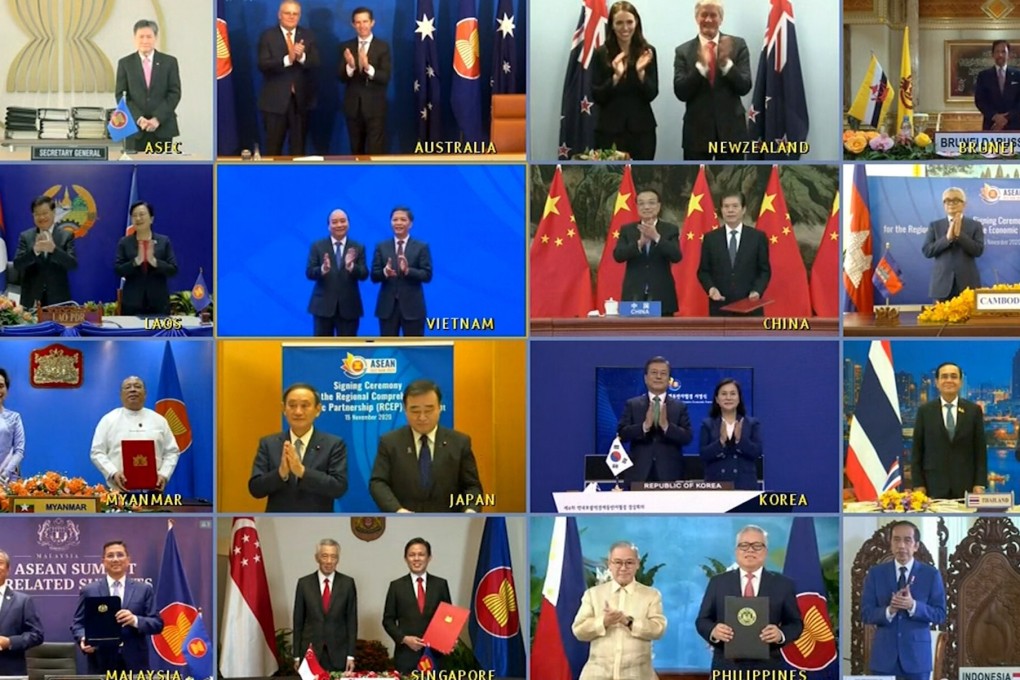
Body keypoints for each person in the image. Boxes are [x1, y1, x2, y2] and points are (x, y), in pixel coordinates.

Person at [695, 525, 803, 670]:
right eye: (744, 545)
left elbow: (795, 623)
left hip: (769, 668)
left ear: (766, 551)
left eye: (757, 546)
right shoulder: (718, 583)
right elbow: (702, 620)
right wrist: (713, 631)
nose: (750, 550)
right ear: (736, 551)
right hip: (726, 667)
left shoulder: (783, 584)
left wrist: (781, 634)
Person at [369, 379, 483, 512]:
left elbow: (472, 487)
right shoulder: (390, 442)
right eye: (415, 411)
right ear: (405, 410)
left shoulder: (459, 443)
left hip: (449, 521)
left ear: (439, 408)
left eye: (428, 410)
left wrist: (470, 510)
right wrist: (397, 510)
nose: (422, 417)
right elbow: (378, 483)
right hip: (403, 521)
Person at [861, 521, 947, 680]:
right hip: (883, 660)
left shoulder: (931, 575)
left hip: (917, 660)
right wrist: (889, 610)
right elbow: (866, 614)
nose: (901, 545)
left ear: (916, 545)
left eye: (907, 540)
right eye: (896, 539)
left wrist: (913, 606)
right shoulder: (875, 574)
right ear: (891, 543)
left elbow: (940, 614)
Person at [571, 541, 666, 679]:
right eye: (618, 562)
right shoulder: (593, 594)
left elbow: (658, 629)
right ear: (609, 564)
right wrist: (603, 622)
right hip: (597, 675)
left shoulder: (651, 595)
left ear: (637, 564)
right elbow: (579, 631)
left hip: (638, 675)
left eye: (629, 562)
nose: (623, 567)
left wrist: (629, 622)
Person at [249, 383, 348, 512]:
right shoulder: (269, 443)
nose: (298, 412)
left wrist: (302, 472)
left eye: (305, 406)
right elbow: (255, 489)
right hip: (278, 520)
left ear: (318, 410)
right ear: (284, 409)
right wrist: (280, 474)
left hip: (318, 520)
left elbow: (338, 488)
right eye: (292, 405)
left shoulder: (333, 444)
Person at [673, 1, 751, 160]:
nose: (708, 19)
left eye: (713, 15)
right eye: (704, 15)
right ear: (696, 18)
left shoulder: (738, 45)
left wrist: (726, 64)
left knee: (732, 177)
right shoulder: (683, 51)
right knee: (696, 177)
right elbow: (681, 92)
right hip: (697, 135)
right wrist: (700, 67)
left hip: (731, 133)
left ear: (721, 19)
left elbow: (745, 86)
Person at [71, 540, 164, 673]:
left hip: (135, 663)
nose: (115, 559)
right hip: (101, 662)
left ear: (128, 560)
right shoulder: (89, 591)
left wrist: (135, 620)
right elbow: (78, 624)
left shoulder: (144, 590)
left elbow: (157, 624)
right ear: (103, 561)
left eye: (120, 555)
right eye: (110, 556)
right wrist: (84, 638)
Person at [591, 2, 658, 160]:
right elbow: (597, 95)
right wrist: (616, 77)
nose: (625, 28)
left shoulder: (647, 52)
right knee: (611, 174)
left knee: (641, 174)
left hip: (642, 131)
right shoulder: (601, 53)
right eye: (619, 23)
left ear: (636, 22)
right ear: (612, 25)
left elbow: (652, 93)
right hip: (609, 131)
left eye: (629, 22)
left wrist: (640, 73)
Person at [910, 362, 987, 499]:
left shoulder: (973, 410)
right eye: (944, 377)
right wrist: (918, 485)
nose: (949, 380)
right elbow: (917, 451)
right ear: (936, 382)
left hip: (966, 486)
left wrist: (979, 484)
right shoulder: (925, 411)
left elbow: (980, 451)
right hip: (932, 486)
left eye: (954, 376)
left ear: (961, 382)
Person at [90, 376, 179, 492]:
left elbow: (172, 452)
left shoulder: (159, 420)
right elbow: (97, 452)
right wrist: (113, 472)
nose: (133, 390)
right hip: (118, 491)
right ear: (121, 395)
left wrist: (164, 474)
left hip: (154, 491)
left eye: (137, 386)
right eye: (128, 387)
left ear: (145, 394)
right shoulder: (108, 420)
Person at [258, 1, 320, 156]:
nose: (291, 17)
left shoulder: (308, 35)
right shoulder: (268, 36)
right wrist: (288, 59)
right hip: (275, 102)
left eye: (295, 14)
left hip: (300, 102)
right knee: (273, 148)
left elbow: (316, 63)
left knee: (298, 150)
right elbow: (263, 64)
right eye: (287, 13)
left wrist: (301, 57)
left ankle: (296, 173)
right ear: (279, 15)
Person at [617, 357, 692, 483]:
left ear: (669, 380)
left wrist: (667, 426)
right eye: (654, 372)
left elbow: (687, 438)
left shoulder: (679, 406)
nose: (658, 377)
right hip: (639, 474)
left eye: (663, 373)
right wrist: (644, 426)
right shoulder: (632, 404)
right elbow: (622, 434)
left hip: (670, 474)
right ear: (645, 378)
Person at [383, 538, 453, 674]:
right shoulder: (396, 586)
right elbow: (388, 620)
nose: (416, 558)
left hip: (435, 655)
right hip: (406, 656)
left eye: (421, 554)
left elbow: (448, 617)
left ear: (429, 558)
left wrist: (449, 638)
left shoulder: (440, 584)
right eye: (412, 555)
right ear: (405, 559)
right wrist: (404, 639)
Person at [697, 191, 771, 316]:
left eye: (735, 206)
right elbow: (703, 271)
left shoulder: (758, 237)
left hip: (750, 306)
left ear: (743, 210)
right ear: (721, 210)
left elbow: (764, 271)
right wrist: (711, 288)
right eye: (726, 206)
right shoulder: (710, 238)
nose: (730, 210)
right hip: (720, 306)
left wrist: (757, 291)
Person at [115, 20, 181, 153]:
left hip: (163, 128)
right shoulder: (125, 63)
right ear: (134, 38)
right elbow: (121, 95)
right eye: (141, 36)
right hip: (135, 129)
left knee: (162, 166)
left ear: (155, 38)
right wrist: (139, 119)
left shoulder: (169, 62)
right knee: (135, 164)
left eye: (149, 36)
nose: (145, 40)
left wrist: (157, 118)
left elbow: (174, 93)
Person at [612, 190, 681, 316]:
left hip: (662, 295)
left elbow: (676, 256)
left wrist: (656, 237)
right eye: (641, 203)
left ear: (659, 206)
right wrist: (640, 243)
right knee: (633, 329)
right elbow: (618, 256)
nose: (646, 207)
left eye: (651, 203)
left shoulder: (670, 229)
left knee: (662, 329)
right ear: (637, 207)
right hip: (634, 295)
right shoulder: (627, 230)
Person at [293, 539, 357, 673]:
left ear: (338, 559)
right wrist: (297, 656)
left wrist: (351, 655)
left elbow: (352, 622)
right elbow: (298, 622)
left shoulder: (347, 583)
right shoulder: (304, 584)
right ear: (317, 558)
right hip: (310, 654)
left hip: (338, 654)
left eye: (333, 557)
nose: (329, 561)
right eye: (324, 556)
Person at [370, 207, 432, 336]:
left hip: (413, 308)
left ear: (410, 224)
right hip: (387, 309)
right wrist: (385, 272)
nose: (398, 223)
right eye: (395, 220)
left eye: (403, 219)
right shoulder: (381, 247)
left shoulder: (421, 247)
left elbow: (427, 275)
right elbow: (374, 276)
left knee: (413, 347)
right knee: (388, 347)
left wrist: (408, 271)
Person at [306, 209, 368, 336]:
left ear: (348, 224)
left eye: (342, 221)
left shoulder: (358, 247)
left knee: (347, 347)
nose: (339, 225)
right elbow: (309, 272)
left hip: (349, 308)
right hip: (323, 307)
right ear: (328, 226)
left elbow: (364, 274)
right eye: (334, 222)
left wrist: (351, 267)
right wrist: (323, 269)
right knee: (322, 347)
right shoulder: (317, 246)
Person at [338, 7, 392, 155]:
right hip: (353, 108)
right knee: (356, 151)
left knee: (376, 151)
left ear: (372, 22)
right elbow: (341, 77)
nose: (362, 26)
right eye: (358, 22)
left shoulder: (383, 47)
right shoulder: (346, 47)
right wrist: (350, 66)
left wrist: (368, 67)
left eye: (365, 21)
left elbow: (385, 77)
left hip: (375, 107)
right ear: (353, 24)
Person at [114, 201, 178, 315]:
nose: (138, 218)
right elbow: (118, 270)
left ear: (151, 219)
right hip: (132, 304)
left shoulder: (163, 241)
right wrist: (136, 261)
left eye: (142, 214)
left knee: (159, 327)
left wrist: (154, 261)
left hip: (158, 303)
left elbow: (173, 270)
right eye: (134, 215)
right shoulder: (125, 242)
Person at [922, 187, 984, 302]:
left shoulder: (975, 225)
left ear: (964, 204)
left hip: (968, 284)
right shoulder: (935, 226)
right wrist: (947, 239)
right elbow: (927, 251)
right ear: (944, 205)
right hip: (942, 286)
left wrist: (959, 235)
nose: (951, 203)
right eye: (947, 200)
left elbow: (978, 250)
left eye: (956, 200)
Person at [13, 195, 77, 307]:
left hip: (58, 300)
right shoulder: (26, 236)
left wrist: (54, 250)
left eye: (45, 213)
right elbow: (17, 264)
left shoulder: (66, 236)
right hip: (31, 299)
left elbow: (72, 264)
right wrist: (35, 251)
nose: (41, 217)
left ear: (53, 212)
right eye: (37, 214)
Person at [699, 378, 762, 489]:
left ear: (739, 398)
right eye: (724, 394)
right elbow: (704, 455)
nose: (728, 398)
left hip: (744, 484)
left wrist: (739, 440)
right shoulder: (707, 424)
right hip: (717, 485)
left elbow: (757, 452)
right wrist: (721, 442)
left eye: (733, 394)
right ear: (717, 399)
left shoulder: (752, 423)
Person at [0, 549, 43, 674]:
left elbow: (37, 635)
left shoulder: (22, 601)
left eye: (0, 562)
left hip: (9, 672)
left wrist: (10, 642)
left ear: (8, 569)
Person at [974, 40, 1020, 131]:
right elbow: (980, 100)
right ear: (992, 54)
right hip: (991, 125)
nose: (1000, 55)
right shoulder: (983, 76)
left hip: (1014, 126)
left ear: (1009, 55)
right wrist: (995, 116)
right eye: (997, 51)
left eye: (1003, 52)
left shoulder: (1018, 75)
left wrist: (1006, 118)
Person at [0, 369, 25, 482]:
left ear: (6, 389)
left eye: (1, 386)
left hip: (7, 479)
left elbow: (19, 451)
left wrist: (4, 474)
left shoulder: (14, 417)